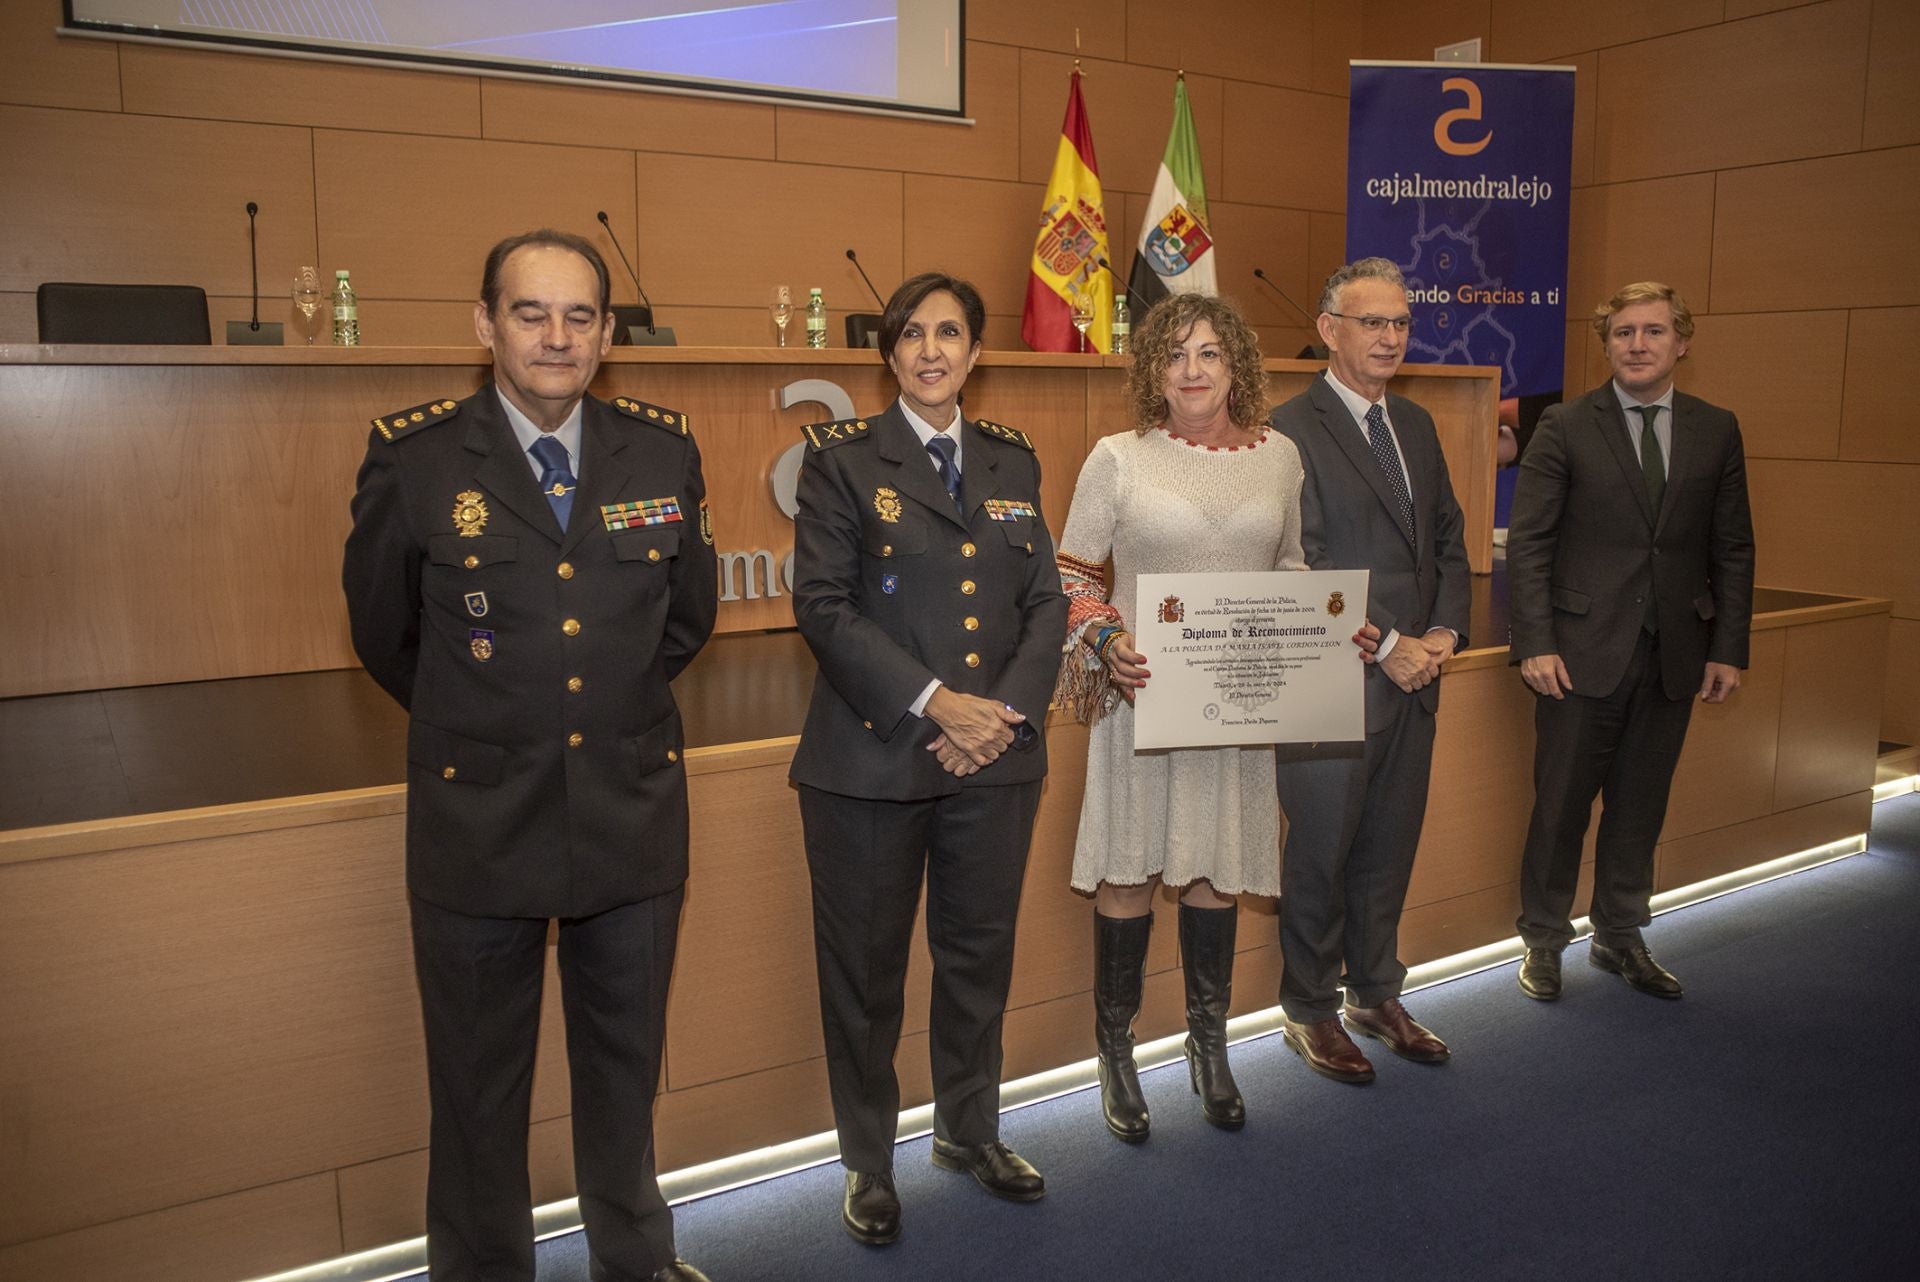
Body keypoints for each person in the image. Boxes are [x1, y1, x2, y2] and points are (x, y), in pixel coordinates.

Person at [342, 229, 717, 1282]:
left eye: (579, 315)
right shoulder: (415, 457)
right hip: (478, 822)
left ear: (607, 333)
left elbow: (683, 620)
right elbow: (384, 634)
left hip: (629, 810)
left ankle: (635, 1260)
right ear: (486, 324)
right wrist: (496, 720)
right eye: (531, 312)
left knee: (625, 1071)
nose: (557, 336)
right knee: (476, 1088)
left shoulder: (662, 450)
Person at [788, 271, 1068, 1247]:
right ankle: (868, 1161)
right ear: (890, 354)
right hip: (872, 762)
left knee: (978, 958)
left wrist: (1002, 716)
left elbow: (1046, 603)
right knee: (865, 977)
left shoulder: (1012, 460)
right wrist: (939, 704)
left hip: (994, 759)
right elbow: (823, 605)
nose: (931, 350)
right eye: (911, 334)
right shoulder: (840, 460)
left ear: (976, 352)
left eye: (949, 333)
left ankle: (969, 1129)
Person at [1056, 292, 1372, 1140]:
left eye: (1208, 353)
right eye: (1172, 355)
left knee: (1215, 870)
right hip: (1141, 699)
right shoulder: (1117, 457)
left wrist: (1332, 624)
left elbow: (1291, 568)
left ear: (1237, 365)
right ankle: (1117, 1056)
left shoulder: (1281, 458)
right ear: (1151, 371)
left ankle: (1209, 1047)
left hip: (1238, 706)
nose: (1191, 370)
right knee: (1128, 872)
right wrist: (1106, 637)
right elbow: (1073, 571)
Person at [1507, 281, 1754, 1001]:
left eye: (1653, 331)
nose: (1637, 345)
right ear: (1606, 344)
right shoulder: (1564, 425)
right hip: (1578, 655)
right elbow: (1530, 542)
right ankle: (1544, 940)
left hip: (1675, 653)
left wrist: (1727, 647)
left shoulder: (1717, 428)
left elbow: (1732, 546)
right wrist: (1535, 641)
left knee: (1641, 805)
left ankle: (1619, 934)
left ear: (1682, 342)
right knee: (1560, 808)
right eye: (1623, 333)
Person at [1267, 256, 1471, 1084]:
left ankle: (1376, 993)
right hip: (1334, 677)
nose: (1390, 338)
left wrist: (1445, 633)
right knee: (1321, 852)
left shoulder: (1415, 423)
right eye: (1372, 322)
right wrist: (1391, 644)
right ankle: (1310, 1008)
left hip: (1418, 676)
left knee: (1389, 845)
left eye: (1400, 323)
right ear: (1328, 330)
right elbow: (1301, 561)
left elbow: (1448, 536)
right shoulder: (1287, 429)